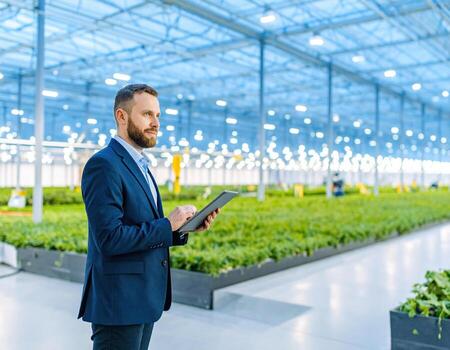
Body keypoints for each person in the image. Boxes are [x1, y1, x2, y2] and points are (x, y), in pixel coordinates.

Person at [77, 84, 220, 349]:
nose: (155, 123)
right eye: (147, 115)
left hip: (142, 297)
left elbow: (140, 226)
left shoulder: (140, 165)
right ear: (122, 116)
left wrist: (182, 230)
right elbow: (109, 238)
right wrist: (167, 224)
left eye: (157, 116)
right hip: (119, 302)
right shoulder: (104, 165)